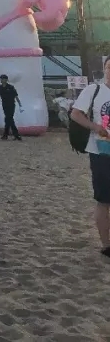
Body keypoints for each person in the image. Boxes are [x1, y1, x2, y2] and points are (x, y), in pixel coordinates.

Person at [70, 58, 110, 257]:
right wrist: (95, 127)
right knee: (104, 200)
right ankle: (106, 245)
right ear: (105, 69)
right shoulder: (94, 90)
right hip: (101, 152)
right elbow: (76, 114)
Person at [0, 74, 22, 141]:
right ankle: (10, 135)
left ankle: (13, 135)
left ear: (6, 80)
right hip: (4, 105)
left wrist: (20, 105)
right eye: (1, 79)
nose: (1, 80)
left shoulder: (11, 87)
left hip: (11, 105)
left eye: (2, 79)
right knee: (8, 119)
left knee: (9, 119)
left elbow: (16, 96)